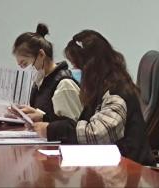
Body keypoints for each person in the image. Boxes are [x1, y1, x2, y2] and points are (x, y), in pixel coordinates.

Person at [30, 30, 151, 165]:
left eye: (77, 67)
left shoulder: (117, 92)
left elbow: (96, 134)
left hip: (130, 169)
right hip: (110, 166)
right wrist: (46, 119)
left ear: (90, 67)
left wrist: (51, 130)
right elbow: (82, 122)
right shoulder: (102, 87)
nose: (74, 72)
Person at [7, 23, 82, 123]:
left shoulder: (65, 85)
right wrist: (27, 114)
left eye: (25, 64)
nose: (24, 69)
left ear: (41, 55)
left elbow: (75, 127)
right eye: (20, 65)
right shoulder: (40, 82)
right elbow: (46, 115)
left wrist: (43, 118)